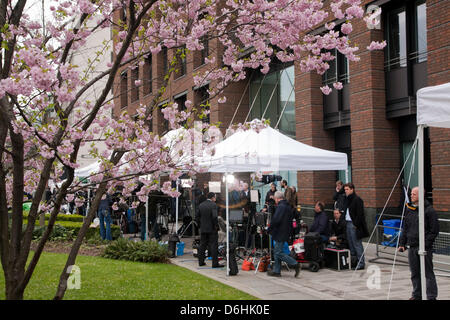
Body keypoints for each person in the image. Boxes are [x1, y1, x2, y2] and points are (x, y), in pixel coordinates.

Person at [398, 186, 439, 300]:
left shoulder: (429, 210)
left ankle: (431, 296)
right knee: (414, 273)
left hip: (424, 248)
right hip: (412, 246)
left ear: (421, 195)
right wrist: (402, 243)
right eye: (411, 194)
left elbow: (434, 230)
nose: (411, 195)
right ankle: (417, 295)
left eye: (414, 194)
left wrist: (425, 244)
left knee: (428, 273)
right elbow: (405, 227)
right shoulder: (409, 209)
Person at [267, 191, 301, 278]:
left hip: (280, 232)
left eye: (275, 199)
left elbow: (276, 220)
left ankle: (295, 264)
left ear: (277, 198)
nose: (274, 200)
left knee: (278, 252)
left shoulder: (281, 207)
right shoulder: (287, 205)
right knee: (277, 251)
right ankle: (277, 271)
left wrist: (269, 229)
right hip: (285, 231)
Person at [343, 182, 368, 270]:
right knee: (351, 243)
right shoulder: (347, 199)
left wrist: (356, 224)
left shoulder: (357, 199)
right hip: (348, 222)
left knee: (357, 244)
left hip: (354, 224)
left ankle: (361, 263)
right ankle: (354, 261)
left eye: (347, 189)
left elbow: (360, 214)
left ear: (352, 189)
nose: (345, 191)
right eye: (345, 189)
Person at [195, 192, 223, 268]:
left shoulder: (201, 205)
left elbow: (196, 217)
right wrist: (216, 226)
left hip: (203, 228)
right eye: (215, 197)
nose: (215, 198)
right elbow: (214, 217)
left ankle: (201, 262)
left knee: (202, 245)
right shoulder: (213, 205)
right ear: (213, 198)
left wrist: (200, 225)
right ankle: (215, 263)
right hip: (212, 229)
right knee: (214, 245)